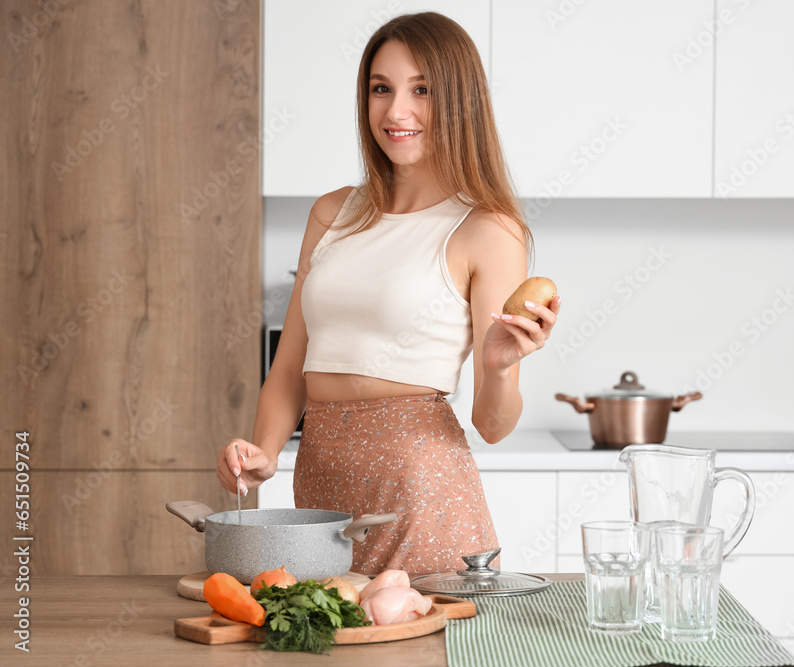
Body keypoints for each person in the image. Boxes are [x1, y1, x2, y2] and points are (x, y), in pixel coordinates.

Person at [215, 12, 559, 575]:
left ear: (458, 100)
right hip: (321, 485)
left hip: (421, 492)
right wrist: (265, 453)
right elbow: (288, 371)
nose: (396, 111)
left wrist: (497, 367)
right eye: (381, 88)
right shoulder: (332, 213)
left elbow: (493, 426)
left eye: (421, 90)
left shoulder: (487, 229)